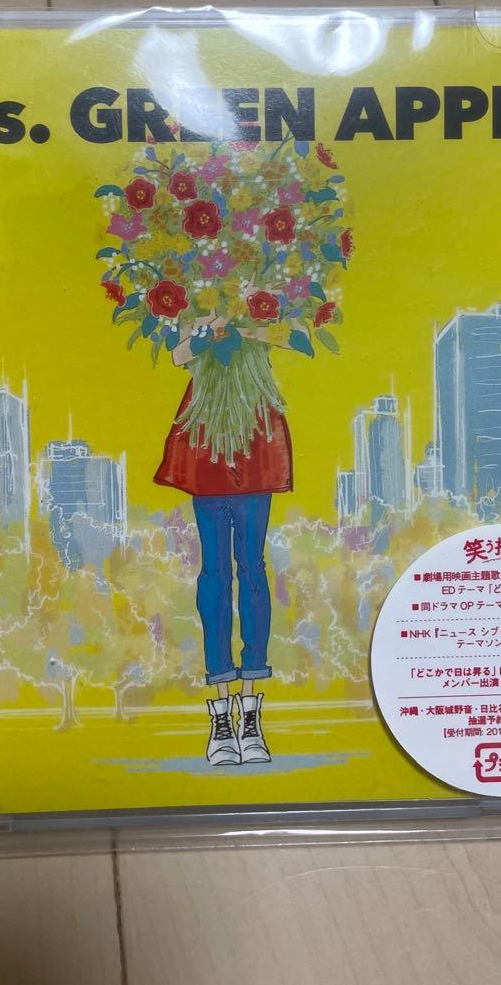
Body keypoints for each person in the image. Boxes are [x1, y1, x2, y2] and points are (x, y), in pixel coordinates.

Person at [154, 317, 295, 765]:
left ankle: (250, 710)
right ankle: (220, 713)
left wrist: (244, 326)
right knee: (215, 574)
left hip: (254, 437)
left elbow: (291, 337)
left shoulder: (263, 298)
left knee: (252, 570)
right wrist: (210, 326)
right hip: (208, 437)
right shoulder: (196, 301)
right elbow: (179, 354)